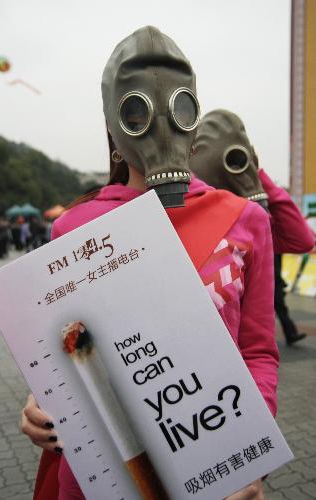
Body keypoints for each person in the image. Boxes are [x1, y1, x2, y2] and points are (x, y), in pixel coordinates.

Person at [21, 27, 278, 500]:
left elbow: (257, 353)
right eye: (136, 110)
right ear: (115, 129)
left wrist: (251, 458)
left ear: (194, 116)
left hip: (213, 467)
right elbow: (66, 357)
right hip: (104, 475)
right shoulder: (73, 230)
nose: (161, 122)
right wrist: (39, 404)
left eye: (179, 105)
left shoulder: (246, 221)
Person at [190, 109, 315, 346]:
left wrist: (256, 175)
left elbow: (302, 240)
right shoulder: (191, 216)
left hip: (249, 360)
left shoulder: (250, 221)